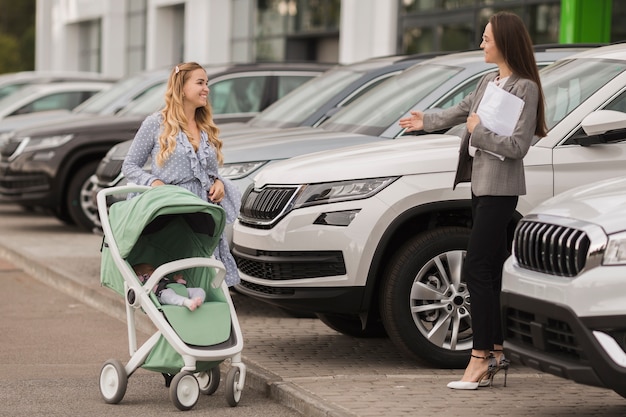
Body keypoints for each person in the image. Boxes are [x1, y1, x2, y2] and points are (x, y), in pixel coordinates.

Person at [399, 11, 546, 390]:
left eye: (486, 38)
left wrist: (478, 133)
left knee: (477, 268)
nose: (481, 43)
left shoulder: (525, 88)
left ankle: (478, 357)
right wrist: (425, 121)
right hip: (481, 185)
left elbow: (517, 146)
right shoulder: (488, 81)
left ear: (505, 42)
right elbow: (460, 111)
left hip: (501, 188)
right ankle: (496, 351)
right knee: (490, 271)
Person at [122, 62, 241, 287]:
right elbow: (129, 166)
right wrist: (153, 181)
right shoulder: (156, 123)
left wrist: (218, 183)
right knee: (176, 271)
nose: (206, 88)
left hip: (203, 212)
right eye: (200, 83)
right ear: (182, 87)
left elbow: (209, 172)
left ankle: (208, 315)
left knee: (205, 272)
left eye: (207, 83)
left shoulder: (205, 125)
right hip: (172, 211)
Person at [132, 263, 205, 311]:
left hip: (177, 290)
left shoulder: (163, 278)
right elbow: (137, 280)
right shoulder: (145, 280)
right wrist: (139, 275)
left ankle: (196, 300)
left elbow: (173, 284)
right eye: (151, 270)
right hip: (161, 293)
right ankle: (186, 302)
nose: (154, 270)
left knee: (199, 290)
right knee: (167, 296)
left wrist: (178, 280)